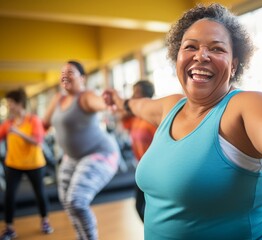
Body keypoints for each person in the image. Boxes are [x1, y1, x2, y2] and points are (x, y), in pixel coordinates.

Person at [103, 3, 262, 239]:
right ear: (177, 56)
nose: (201, 55)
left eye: (216, 48)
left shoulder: (244, 107)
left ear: (234, 65)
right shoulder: (171, 106)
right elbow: (139, 105)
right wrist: (122, 102)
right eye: (190, 46)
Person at [42, 60, 119, 240]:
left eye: (70, 71)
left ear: (82, 78)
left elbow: (101, 103)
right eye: (62, 72)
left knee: (76, 201)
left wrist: (109, 102)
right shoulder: (58, 99)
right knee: (67, 201)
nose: (64, 75)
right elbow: (43, 124)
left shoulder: (86, 96)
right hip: (72, 157)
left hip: (100, 153)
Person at [0, 88, 53, 240]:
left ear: (19, 103)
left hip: (34, 164)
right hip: (13, 164)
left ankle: (45, 222)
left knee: (40, 194)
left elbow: (38, 140)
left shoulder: (33, 120)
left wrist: (18, 132)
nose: (9, 105)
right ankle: (9, 228)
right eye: (8, 102)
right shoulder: (8, 123)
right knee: (9, 196)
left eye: (10, 102)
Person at [118, 80, 157, 222]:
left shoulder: (153, 117)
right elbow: (121, 117)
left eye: (136, 93)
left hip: (155, 170)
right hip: (141, 169)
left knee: (152, 208)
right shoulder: (136, 117)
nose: (133, 96)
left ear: (146, 96)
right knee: (139, 206)